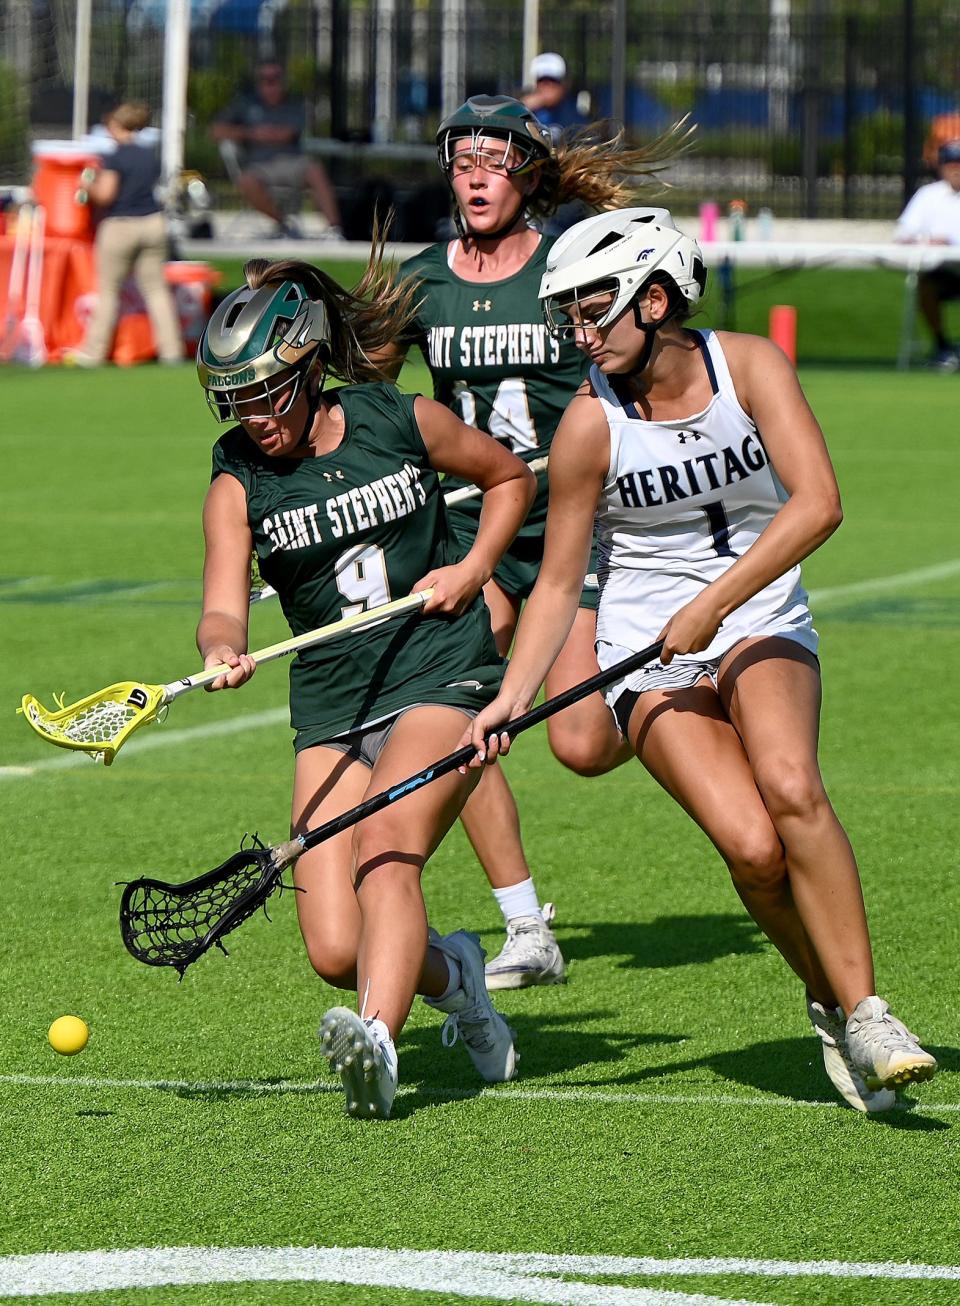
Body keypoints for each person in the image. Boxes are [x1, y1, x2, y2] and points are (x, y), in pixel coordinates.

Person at [462, 208, 938, 1112]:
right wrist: (507, 703)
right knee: (753, 850)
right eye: (569, 312)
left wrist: (714, 603)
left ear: (654, 297)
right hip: (645, 648)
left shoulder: (749, 365)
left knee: (792, 784)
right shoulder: (587, 429)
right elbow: (559, 587)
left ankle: (870, 1011)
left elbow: (819, 504)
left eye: (593, 308)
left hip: (756, 613)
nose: (579, 331)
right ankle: (831, 1005)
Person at [194, 248, 536, 1119]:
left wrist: (475, 570)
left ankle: (377, 1046)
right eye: (235, 399)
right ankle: (455, 973)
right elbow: (222, 604)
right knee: (333, 945)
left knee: (389, 848)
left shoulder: (397, 417)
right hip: (334, 704)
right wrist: (223, 648)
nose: (254, 416)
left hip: (439, 666)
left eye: (268, 392)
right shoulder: (237, 478)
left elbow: (508, 477)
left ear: (310, 370)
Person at [376, 95, 681, 991]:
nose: (474, 174)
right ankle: (524, 926)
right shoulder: (423, 280)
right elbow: (380, 414)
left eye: (494, 158)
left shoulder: (573, 263)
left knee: (582, 745)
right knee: (450, 715)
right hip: (476, 530)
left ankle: (669, 697)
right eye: (461, 159)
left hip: (573, 531)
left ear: (529, 174)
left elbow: (637, 366)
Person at [66, 101, 183, 367]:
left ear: (117, 126)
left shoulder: (115, 157)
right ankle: (172, 350)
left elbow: (106, 194)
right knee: (156, 289)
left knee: (108, 290)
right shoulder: (149, 155)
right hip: (153, 223)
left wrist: (87, 185)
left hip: (121, 226)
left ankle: (94, 353)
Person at [211, 59, 342, 240]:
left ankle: (334, 230)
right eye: (265, 79)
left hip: (292, 162)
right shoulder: (245, 104)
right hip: (260, 165)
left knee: (316, 170)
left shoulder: (294, 104)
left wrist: (266, 134)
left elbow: (288, 133)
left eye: (275, 79)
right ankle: (284, 225)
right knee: (245, 182)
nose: (271, 84)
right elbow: (217, 130)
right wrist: (251, 133)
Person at [894, 139, 960, 370]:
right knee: (926, 286)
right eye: (951, 163)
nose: (956, 168)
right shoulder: (928, 195)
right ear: (941, 166)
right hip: (942, 270)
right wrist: (928, 241)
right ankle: (942, 345)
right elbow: (903, 234)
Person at [521, 53, 589, 145]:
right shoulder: (528, 111)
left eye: (553, 81)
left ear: (565, 84)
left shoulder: (573, 114)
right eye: (542, 80)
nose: (547, 86)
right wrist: (523, 107)